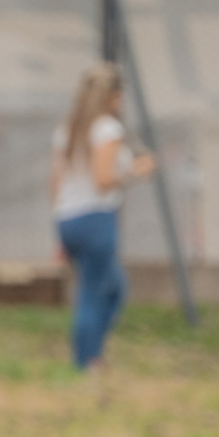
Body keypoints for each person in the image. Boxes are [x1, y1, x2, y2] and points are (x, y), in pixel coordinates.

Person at [49, 62, 155, 372]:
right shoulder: (107, 129)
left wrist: (58, 227)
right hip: (95, 218)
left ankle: (91, 356)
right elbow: (103, 179)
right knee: (96, 292)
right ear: (111, 96)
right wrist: (137, 169)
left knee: (111, 288)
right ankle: (86, 363)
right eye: (120, 95)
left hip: (67, 218)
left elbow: (56, 180)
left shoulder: (67, 129)